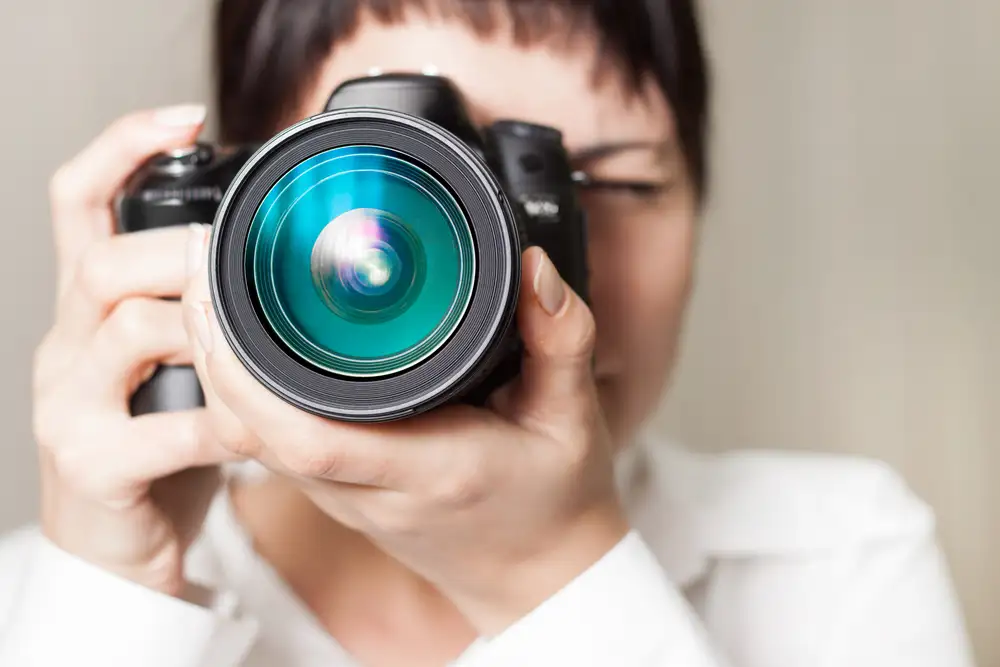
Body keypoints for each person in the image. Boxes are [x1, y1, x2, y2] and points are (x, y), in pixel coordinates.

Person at [0, 1, 977, 666]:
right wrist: (113, 593)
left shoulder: (831, 559)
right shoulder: (50, 602)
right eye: (397, 185)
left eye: (607, 184)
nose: (506, 261)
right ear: (226, 224)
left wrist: (553, 570)